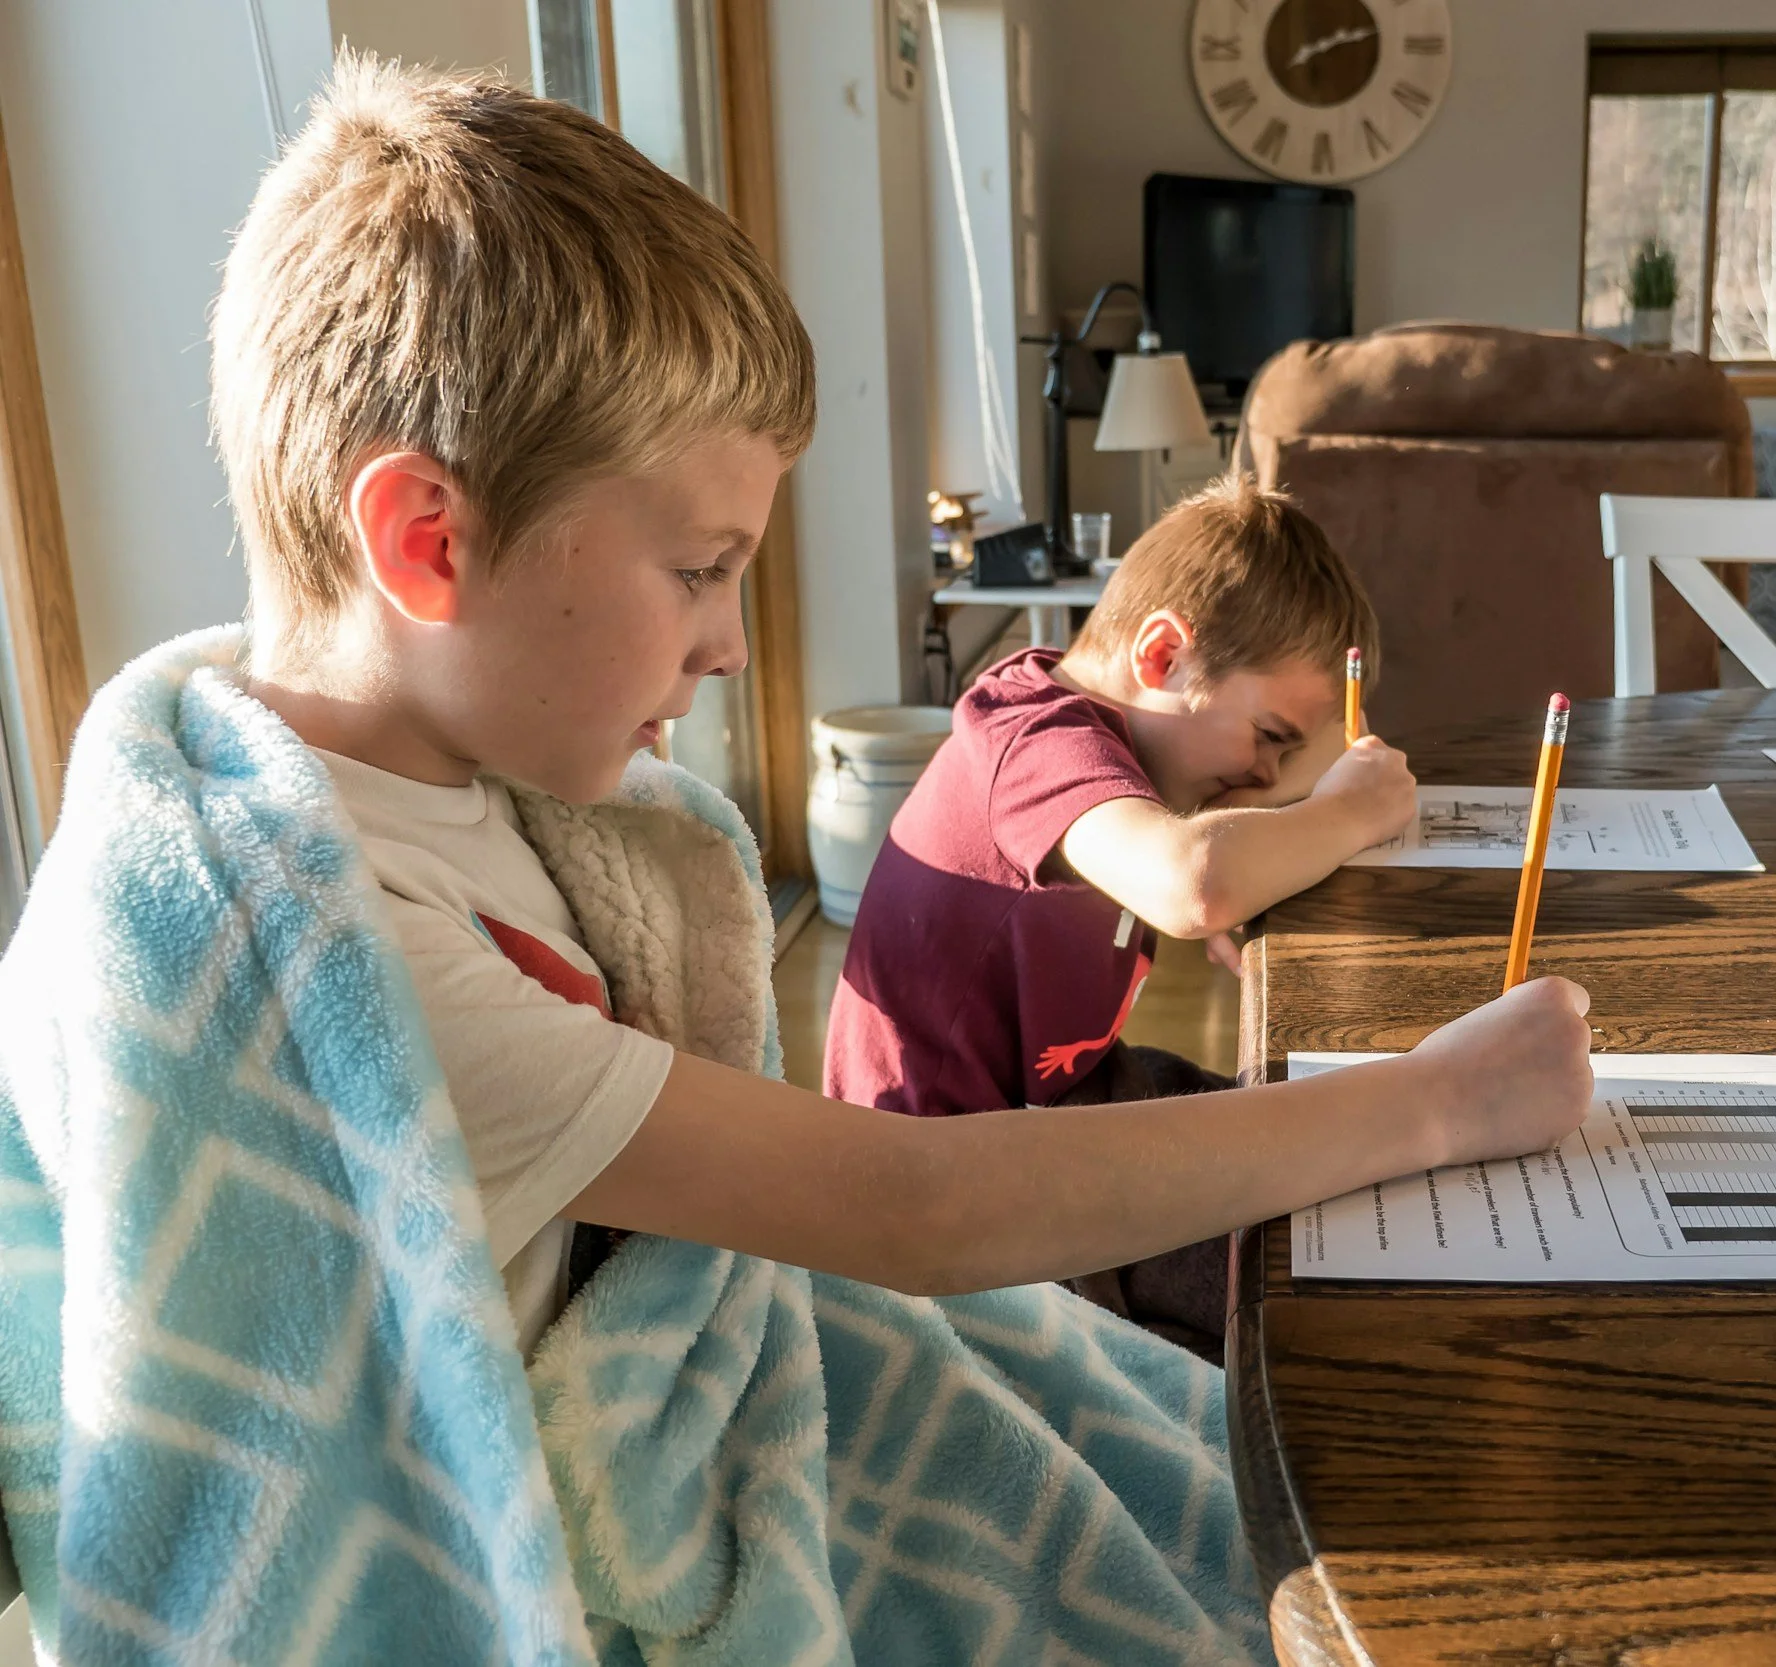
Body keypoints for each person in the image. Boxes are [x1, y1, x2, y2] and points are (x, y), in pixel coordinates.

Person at [0, 59, 1595, 1656]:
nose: (727, 646)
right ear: (429, 538)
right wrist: (1438, 1098)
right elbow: (907, 1206)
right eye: (701, 570)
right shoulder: (333, 958)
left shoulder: (461, 786)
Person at [825, 476, 1419, 1347]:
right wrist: (1344, 815)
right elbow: (1193, 883)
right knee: (1305, 1268)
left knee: (1330, 1152)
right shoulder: (1033, 741)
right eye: (1268, 738)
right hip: (951, 1192)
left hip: (1063, 1104)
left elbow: (1200, 862)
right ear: (1161, 656)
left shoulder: (1118, 741)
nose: (1267, 777)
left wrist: (1273, 831)